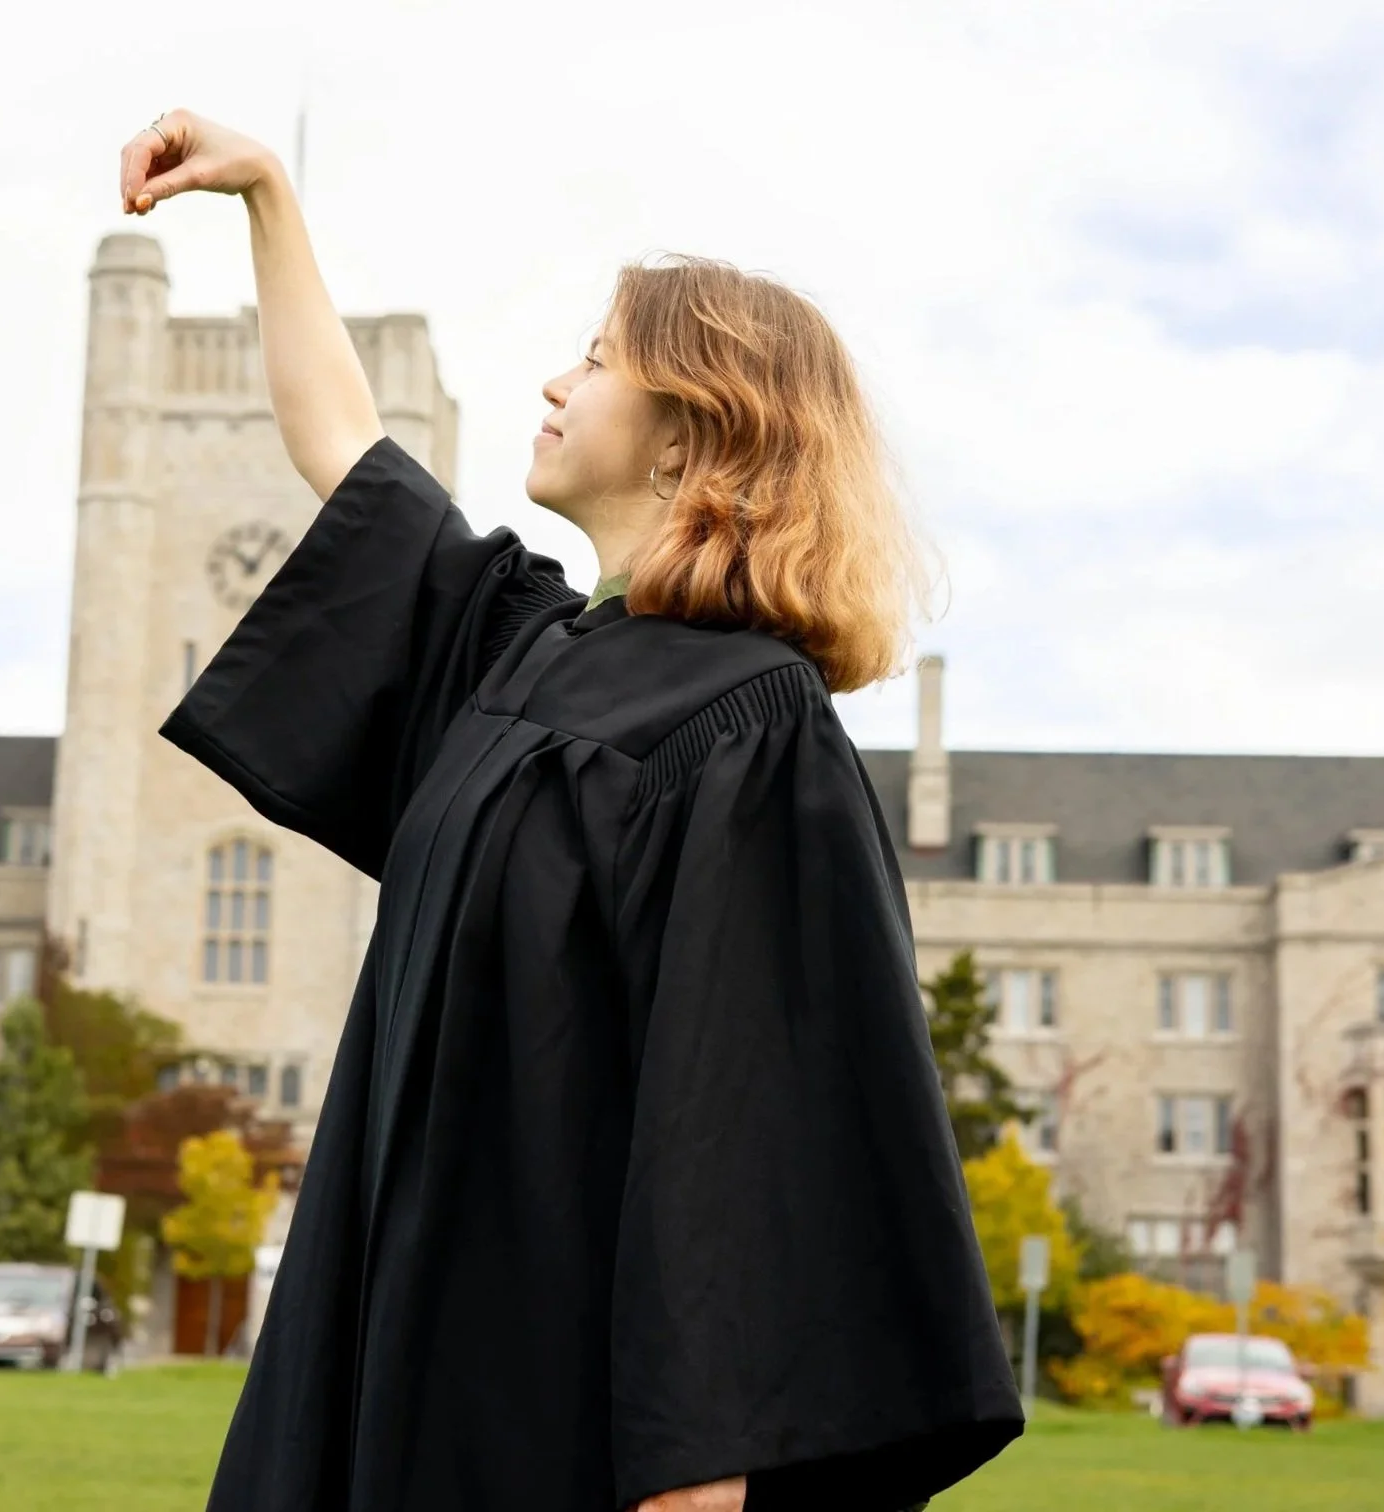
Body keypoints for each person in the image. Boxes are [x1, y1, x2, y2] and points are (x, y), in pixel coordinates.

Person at [120, 109, 1022, 1512]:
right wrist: (268, 201)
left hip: (537, 1406)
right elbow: (348, 453)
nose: (553, 383)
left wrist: (696, 1488)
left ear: (692, 431)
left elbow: (735, 1151)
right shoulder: (525, 657)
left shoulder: (750, 734)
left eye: (597, 359)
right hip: (389, 1348)